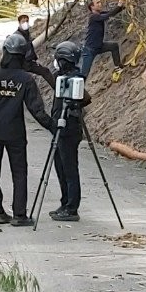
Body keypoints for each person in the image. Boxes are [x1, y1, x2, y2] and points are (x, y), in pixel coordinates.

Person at [0, 33, 54, 226]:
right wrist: (52, 125)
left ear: (5, 53)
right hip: (14, 133)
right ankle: (19, 215)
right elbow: (36, 109)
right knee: (19, 172)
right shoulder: (25, 79)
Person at [48, 40, 92, 223]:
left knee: (69, 168)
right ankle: (65, 201)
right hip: (60, 127)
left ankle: (72, 207)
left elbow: (87, 98)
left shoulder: (75, 79)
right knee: (60, 166)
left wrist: (75, 103)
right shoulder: (62, 77)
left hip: (69, 129)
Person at [81, 0, 124, 79]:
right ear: (92, 7)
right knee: (84, 75)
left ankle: (118, 67)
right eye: (97, 3)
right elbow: (107, 16)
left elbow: (111, 13)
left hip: (99, 46)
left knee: (114, 46)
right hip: (89, 50)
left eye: (100, 2)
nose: (100, 4)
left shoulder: (99, 14)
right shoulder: (93, 17)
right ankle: (78, 90)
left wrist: (123, 6)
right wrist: (119, 5)